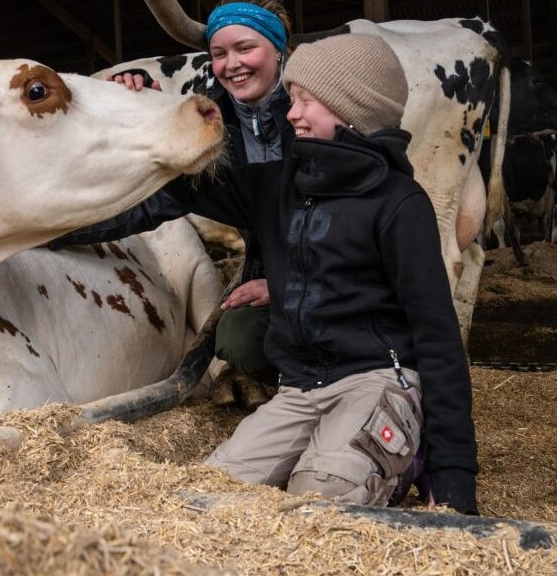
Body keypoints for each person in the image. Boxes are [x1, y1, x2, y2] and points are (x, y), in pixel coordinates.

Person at [164, 33, 479, 514]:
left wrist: (454, 471)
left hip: (376, 378)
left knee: (322, 495)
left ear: (352, 110)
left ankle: (408, 457)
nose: (291, 114)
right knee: (208, 496)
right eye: (293, 100)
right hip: (300, 387)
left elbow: (436, 333)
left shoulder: (398, 203)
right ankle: (340, 448)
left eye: (306, 101)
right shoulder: (281, 185)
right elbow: (176, 189)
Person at [51, 0, 295, 387]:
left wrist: (285, 284)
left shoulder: (315, 114)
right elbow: (146, 204)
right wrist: (49, 232)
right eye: (219, 54)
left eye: (245, 48)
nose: (232, 65)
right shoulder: (213, 131)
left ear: (279, 49)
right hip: (269, 278)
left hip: (336, 276)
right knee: (237, 343)